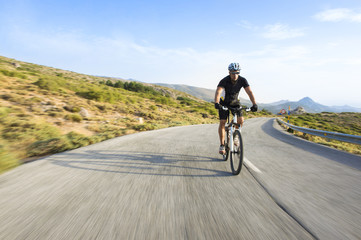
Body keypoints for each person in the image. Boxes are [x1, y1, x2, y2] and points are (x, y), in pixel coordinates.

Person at [214, 63, 258, 154]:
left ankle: (236, 136)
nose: (235, 75)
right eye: (233, 73)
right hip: (223, 103)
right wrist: (216, 103)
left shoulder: (242, 80)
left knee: (241, 120)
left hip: (235, 103)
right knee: (222, 122)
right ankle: (222, 145)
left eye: (237, 73)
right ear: (229, 72)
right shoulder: (224, 80)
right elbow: (218, 92)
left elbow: (249, 92)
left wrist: (254, 104)